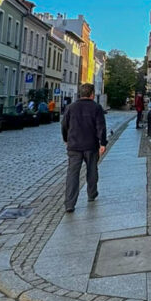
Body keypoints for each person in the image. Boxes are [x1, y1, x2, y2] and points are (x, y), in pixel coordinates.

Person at [60, 83, 107, 213]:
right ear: (92, 94)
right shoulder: (96, 108)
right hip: (91, 145)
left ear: (80, 94)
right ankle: (91, 194)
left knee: (72, 174)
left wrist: (65, 139)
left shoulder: (71, 107)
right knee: (92, 170)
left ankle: (70, 203)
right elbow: (101, 127)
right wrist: (102, 143)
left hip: (74, 145)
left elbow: (64, 125)